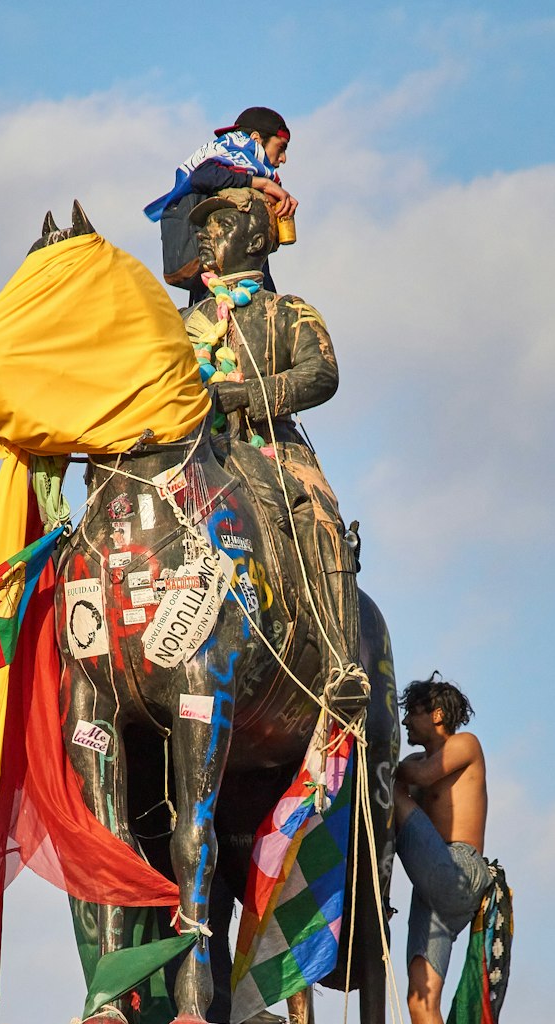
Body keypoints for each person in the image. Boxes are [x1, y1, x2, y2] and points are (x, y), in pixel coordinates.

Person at [185, 187, 369, 718]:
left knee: (320, 519)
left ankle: (340, 664)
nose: (205, 234)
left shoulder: (288, 310)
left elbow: (322, 374)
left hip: (271, 448)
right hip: (202, 452)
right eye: (203, 227)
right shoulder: (181, 325)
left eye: (219, 223)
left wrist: (244, 394)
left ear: (258, 237)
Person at [393, 674, 491, 1024]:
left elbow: (417, 777)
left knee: (386, 790)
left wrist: (380, 758)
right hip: (433, 891)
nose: (405, 722)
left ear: (435, 714)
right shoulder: (416, 760)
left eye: (411, 713)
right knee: (419, 996)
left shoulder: (464, 746)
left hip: (458, 868)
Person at [144, 106, 297, 302]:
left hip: (231, 274)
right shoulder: (233, 149)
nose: (283, 158)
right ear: (256, 139)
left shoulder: (239, 163)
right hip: (219, 271)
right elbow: (203, 175)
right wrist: (262, 183)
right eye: (281, 147)